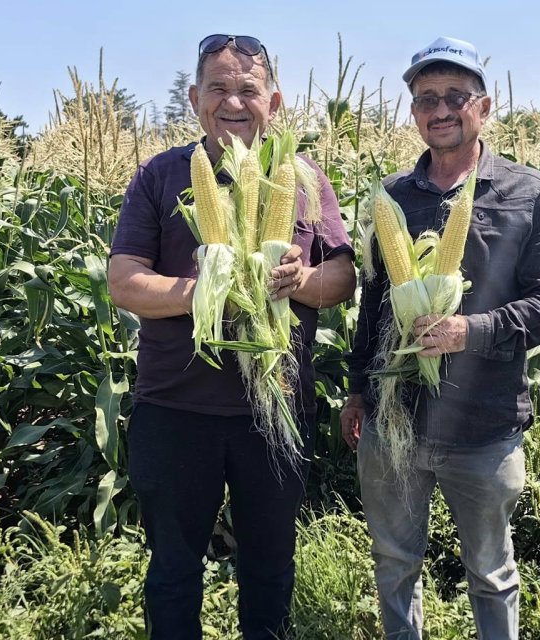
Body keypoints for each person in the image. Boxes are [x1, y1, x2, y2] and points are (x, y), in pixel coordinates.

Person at [108, 33, 356, 640]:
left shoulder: (303, 176)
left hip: (275, 411)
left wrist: (299, 281)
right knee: (173, 567)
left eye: (248, 89)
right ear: (195, 98)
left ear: (274, 101)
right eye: (218, 88)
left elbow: (344, 277)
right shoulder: (162, 175)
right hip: (175, 409)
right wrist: (205, 293)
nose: (234, 102)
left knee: (269, 564)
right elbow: (123, 281)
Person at [341, 36, 540, 640]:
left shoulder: (528, 192)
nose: (439, 110)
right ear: (414, 112)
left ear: (484, 106)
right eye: (425, 99)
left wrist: (468, 331)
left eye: (454, 96)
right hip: (398, 422)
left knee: (491, 574)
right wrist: (359, 389)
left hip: (484, 428)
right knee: (394, 565)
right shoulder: (391, 196)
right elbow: (374, 302)